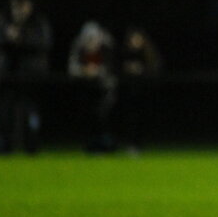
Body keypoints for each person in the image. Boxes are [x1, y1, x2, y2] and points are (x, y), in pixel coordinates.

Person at [0, 0, 51, 154]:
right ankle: (4, 145)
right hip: (7, 75)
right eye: (16, 5)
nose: (19, 10)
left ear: (29, 5)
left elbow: (44, 43)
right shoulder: (4, 22)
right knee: (5, 112)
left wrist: (21, 38)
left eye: (22, 5)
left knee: (30, 111)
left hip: (31, 76)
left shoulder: (37, 23)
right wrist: (6, 37)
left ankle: (32, 145)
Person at [68, 20, 117, 152]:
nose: (91, 42)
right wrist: (84, 71)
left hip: (104, 89)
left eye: (94, 38)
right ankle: (90, 145)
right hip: (85, 89)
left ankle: (106, 145)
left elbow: (111, 69)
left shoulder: (107, 46)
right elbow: (72, 68)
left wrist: (97, 71)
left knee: (102, 116)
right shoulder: (79, 46)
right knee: (87, 117)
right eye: (88, 39)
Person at [119, 26, 163, 152]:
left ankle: (138, 144)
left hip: (144, 91)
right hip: (128, 91)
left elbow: (155, 69)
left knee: (142, 118)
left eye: (138, 39)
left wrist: (142, 70)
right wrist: (127, 69)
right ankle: (129, 144)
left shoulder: (149, 54)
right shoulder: (124, 53)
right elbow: (116, 69)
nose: (136, 42)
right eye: (134, 39)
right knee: (129, 118)